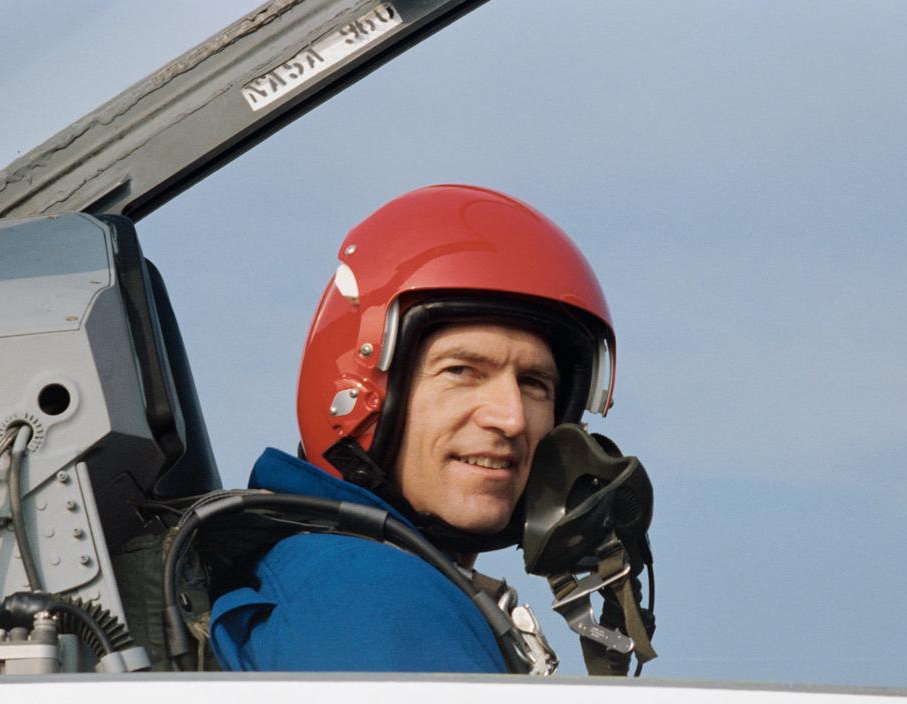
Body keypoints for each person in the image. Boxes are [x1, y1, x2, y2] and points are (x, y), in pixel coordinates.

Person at [208, 185, 616, 673]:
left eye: (534, 384)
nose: (510, 418)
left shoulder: (350, 576)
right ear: (357, 392)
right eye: (462, 372)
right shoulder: (370, 597)